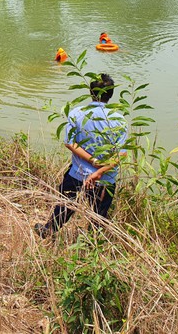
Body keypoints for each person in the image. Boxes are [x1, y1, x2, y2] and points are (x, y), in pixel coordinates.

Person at [35, 73, 127, 238]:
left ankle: (49, 230)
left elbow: (70, 142)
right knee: (99, 215)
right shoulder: (119, 120)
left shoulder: (77, 113)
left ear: (90, 92)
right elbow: (121, 153)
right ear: (110, 95)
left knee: (65, 204)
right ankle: (92, 247)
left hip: (78, 172)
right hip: (105, 178)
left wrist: (92, 161)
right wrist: (99, 171)